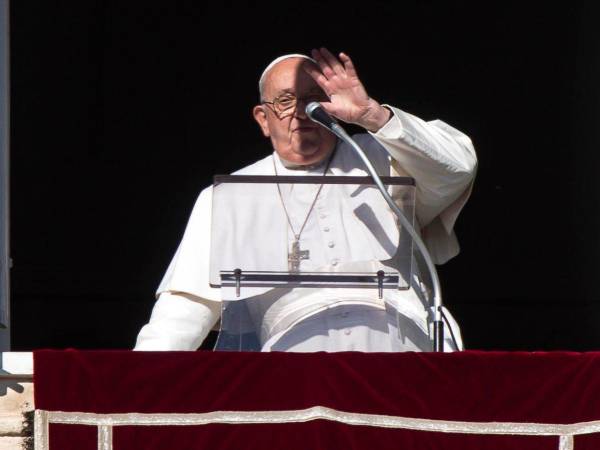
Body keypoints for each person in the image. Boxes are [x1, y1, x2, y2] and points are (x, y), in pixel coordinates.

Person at [134, 48, 477, 352]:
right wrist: (137, 387)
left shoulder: (384, 156)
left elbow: (458, 167)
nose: (301, 112)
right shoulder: (229, 195)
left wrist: (372, 116)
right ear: (263, 119)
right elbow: (184, 308)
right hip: (293, 362)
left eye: (313, 100)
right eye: (285, 101)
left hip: (400, 347)